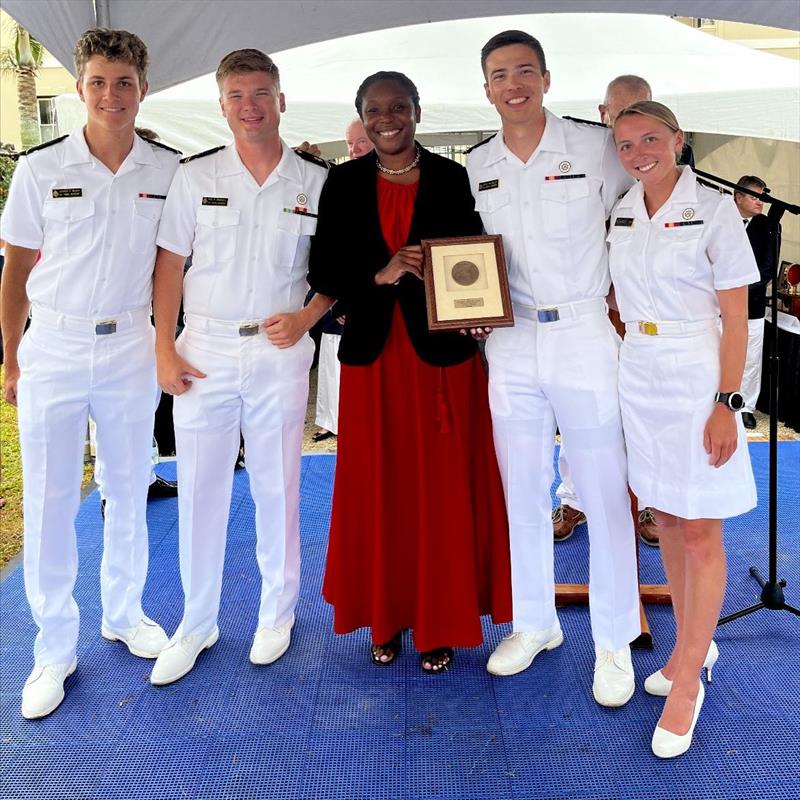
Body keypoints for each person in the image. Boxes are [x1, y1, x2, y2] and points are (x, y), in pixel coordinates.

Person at [0, 28, 178, 719]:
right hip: (57, 348)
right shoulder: (41, 169)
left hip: (130, 344)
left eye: (124, 81)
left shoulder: (167, 170)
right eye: (99, 82)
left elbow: (173, 265)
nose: (112, 95)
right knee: (47, 499)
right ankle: (53, 646)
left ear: (143, 87)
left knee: (128, 486)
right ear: (79, 88)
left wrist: (167, 342)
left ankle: (124, 614)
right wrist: (13, 359)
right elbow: (15, 270)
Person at [308, 71, 512, 674]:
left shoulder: (453, 177)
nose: (387, 118)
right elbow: (324, 268)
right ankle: (387, 614)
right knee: (381, 486)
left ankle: (439, 621)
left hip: (442, 362)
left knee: (441, 489)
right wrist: (383, 270)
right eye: (375, 110)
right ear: (362, 117)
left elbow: (473, 256)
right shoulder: (340, 182)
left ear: (418, 111)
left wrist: (475, 311)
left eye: (399, 107)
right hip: (373, 358)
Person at [465, 31, 640, 705]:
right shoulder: (477, 164)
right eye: (499, 74)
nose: (513, 84)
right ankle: (534, 623)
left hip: (585, 335)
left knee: (602, 493)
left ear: (546, 77)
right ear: (486, 88)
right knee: (523, 493)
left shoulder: (595, 149)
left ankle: (615, 639)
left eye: (525, 71)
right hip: (510, 345)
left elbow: (638, 220)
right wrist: (470, 308)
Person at [149, 48, 331, 685]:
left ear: (280, 99)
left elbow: (333, 272)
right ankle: (196, 622)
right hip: (204, 350)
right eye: (236, 96)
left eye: (261, 93)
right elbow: (168, 265)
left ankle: (276, 613)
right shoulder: (194, 177)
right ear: (222, 105)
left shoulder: (314, 180)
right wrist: (163, 346)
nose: (250, 106)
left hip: (281, 351)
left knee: (278, 486)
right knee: (200, 489)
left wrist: (308, 318)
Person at [610, 101, 758, 756]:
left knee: (701, 531)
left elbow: (737, 317)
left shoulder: (718, 211)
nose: (638, 152)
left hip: (699, 376)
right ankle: (684, 651)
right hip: (639, 377)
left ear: (678, 140)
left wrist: (728, 402)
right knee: (667, 518)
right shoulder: (620, 210)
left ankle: (688, 679)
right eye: (625, 143)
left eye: (650, 139)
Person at [554, 73, 660, 547]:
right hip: (595, 305)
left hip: (647, 309)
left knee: (645, 409)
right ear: (603, 116)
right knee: (583, 408)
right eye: (621, 115)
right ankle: (574, 498)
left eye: (643, 112)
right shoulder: (583, 156)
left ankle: (650, 500)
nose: (632, 125)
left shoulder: (667, 165)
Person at [312, 118, 374, 444]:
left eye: (361, 142)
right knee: (334, 363)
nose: (354, 150)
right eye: (350, 144)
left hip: (378, 299)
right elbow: (326, 249)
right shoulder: (336, 183)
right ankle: (331, 420)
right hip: (339, 297)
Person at [733, 175, 780, 430]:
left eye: (762, 196)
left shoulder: (767, 226)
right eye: (754, 195)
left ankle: (746, 406)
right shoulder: (723, 220)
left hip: (752, 303)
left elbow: (768, 266)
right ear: (738, 196)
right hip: (717, 305)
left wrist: (742, 289)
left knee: (751, 357)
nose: (760, 201)